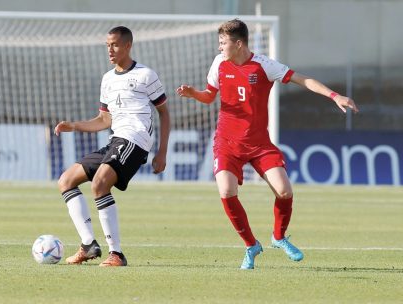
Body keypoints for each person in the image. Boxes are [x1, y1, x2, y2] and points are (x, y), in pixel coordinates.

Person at [176, 19, 358, 270]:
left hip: (259, 143)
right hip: (227, 142)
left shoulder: (264, 66)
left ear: (238, 43)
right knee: (227, 192)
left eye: (223, 43)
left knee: (284, 191)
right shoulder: (219, 64)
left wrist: (334, 95)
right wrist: (193, 93)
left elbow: (303, 79)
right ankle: (251, 245)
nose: (219, 48)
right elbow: (209, 97)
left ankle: (279, 237)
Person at [54, 26, 170, 267]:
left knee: (100, 184)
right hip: (115, 140)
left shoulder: (145, 75)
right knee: (66, 180)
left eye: (115, 44)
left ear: (128, 46)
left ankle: (116, 254)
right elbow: (104, 120)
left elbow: (164, 113)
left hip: (135, 141)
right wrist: (74, 125)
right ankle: (88, 246)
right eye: (107, 45)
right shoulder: (107, 79)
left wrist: (161, 152)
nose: (110, 49)